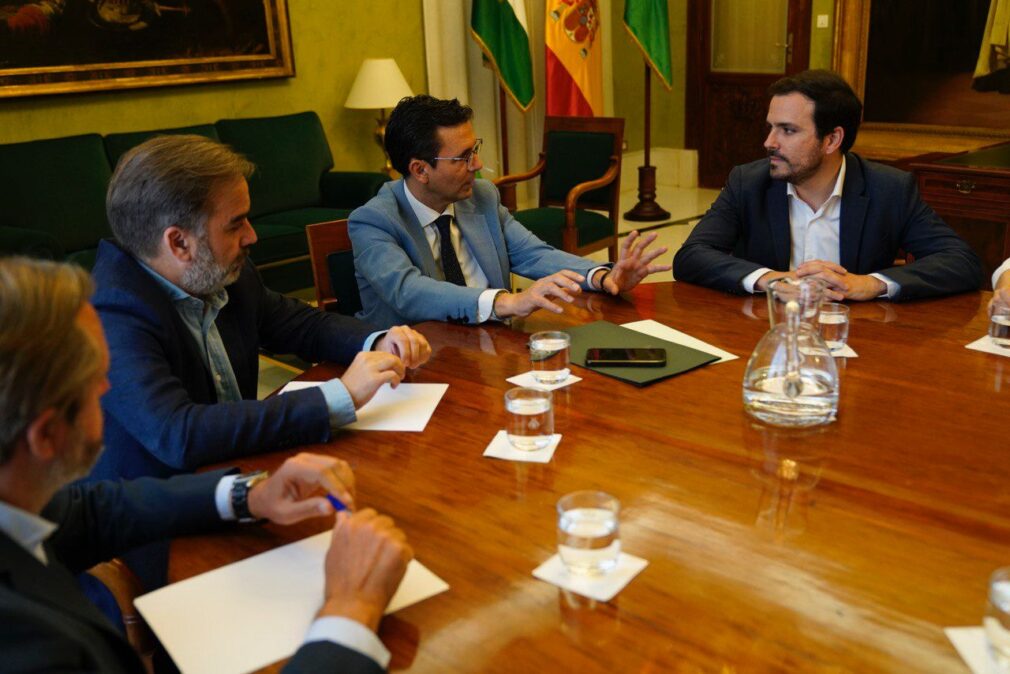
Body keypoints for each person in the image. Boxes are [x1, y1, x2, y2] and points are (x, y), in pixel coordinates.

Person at [0, 257, 411, 673]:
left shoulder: (19, 497)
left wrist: (248, 495)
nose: (111, 388)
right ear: (45, 436)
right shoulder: (32, 647)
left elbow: (85, 511)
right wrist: (349, 612)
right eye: (96, 380)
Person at [89, 134, 431, 482]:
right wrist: (336, 396)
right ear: (179, 242)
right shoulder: (110, 312)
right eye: (235, 224)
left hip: (246, 472)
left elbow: (300, 325)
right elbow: (179, 433)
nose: (252, 236)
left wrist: (378, 341)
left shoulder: (223, 270)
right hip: (165, 507)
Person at [347, 95, 671, 329]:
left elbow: (534, 254)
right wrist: (506, 302)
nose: (478, 165)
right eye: (463, 157)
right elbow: (409, 292)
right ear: (419, 170)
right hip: (416, 366)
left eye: (475, 149)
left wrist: (601, 276)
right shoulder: (373, 222)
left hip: (493, 348)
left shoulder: (481, 196)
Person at [673, 69, 982, 301]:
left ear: (832, 139)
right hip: (766, 334)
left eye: (788, 130)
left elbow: (961, 262)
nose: (769, 142)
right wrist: (770, 280)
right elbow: (691, 257)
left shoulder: (889, 189)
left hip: (856, 341)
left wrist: (870, 283)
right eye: (771, 128)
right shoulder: (748, 182)